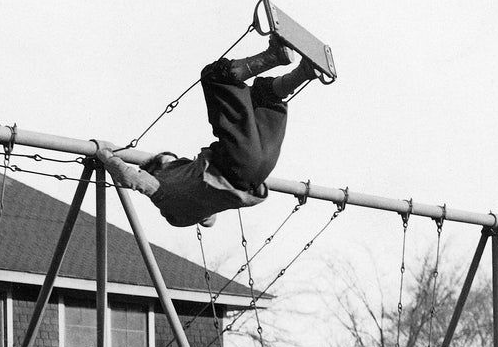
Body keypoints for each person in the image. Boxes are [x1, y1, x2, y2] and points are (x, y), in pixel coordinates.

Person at [96, 35, 327, 229]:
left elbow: (209, 220)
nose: (177, 160)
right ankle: (275, 55)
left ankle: (305, 72)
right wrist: (105, 155)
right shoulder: (160, 188)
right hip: (237, 162)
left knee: (263, 100)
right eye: (169, 159)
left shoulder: (190, 206)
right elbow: (131, 177)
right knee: (215, 77)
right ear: (157, 168)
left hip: (257, 173)